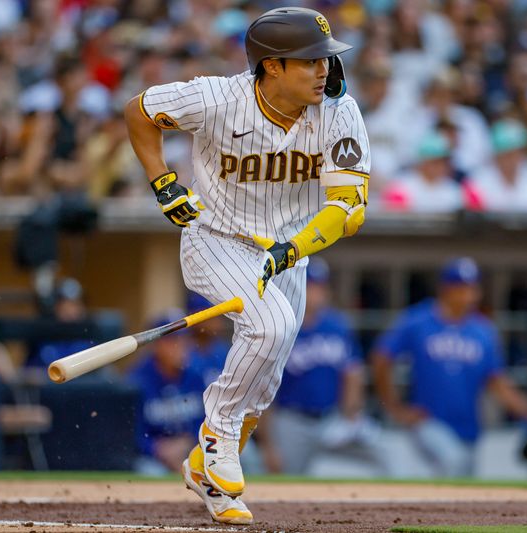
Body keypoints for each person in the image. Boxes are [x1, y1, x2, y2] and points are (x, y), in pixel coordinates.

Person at [124, 6, 370, 525]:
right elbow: (139, 110)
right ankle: (215, 435)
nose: (324, 69)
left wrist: (294, 249)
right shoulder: (216, 98)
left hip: (290, 251)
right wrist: (163, 182)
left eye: (326, 58)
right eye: (309, 61)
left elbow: (348, 209)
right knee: (271, 324)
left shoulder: (339, 111)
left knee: (264, 382)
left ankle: (205, 476)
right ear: (272, 66)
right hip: (217, 238)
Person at [370, 257, 527, 477]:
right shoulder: (419, 321)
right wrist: (394, 406)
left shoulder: (482, 331)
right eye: (461, 288)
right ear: (446, 289)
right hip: (429, 420)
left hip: (468, 426)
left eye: (473, 288)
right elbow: (381, 357)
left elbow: (496, 381)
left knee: (462, 481)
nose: (469, 295)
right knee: (454, 462)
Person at [263, 257, 387, 476]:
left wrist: (351, 413)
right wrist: (268, 444)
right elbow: (263, 388)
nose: (317, 293)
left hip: (331, 420)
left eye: (320, 286)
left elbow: (353, 372)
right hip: (292, 420)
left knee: (339, 481)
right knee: (286, 481)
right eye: (311, 286)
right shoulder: (281, 326)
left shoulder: (337, 326)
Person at [125, 311, 206, 476]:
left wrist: (189, 441)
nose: (181, 346)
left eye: (185, 340)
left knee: (245, 455)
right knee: (150, 472)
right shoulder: (135, 381)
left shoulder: (196, 376)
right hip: (153, 457)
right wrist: (157, 449)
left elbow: (207, 421)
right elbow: (129, 434)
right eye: (173, 341)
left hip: (192, 449)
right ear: (157, 344)